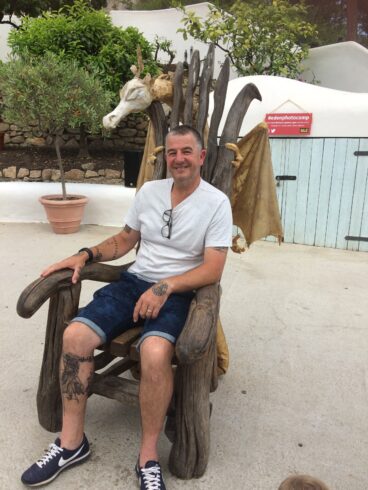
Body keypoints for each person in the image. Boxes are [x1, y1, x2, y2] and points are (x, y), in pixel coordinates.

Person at [21, 125, 233, 490]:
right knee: (75, 336)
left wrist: (166, 286)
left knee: (153, 352)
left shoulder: (216, 203)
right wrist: (83, 255)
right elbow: (125, 239)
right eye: (171, 152)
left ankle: (147, 457)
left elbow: (213, 268)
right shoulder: (149, 192)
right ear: (164, 157)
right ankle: (72, 443)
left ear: (201, 157)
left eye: (186, 151)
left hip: (179, 292)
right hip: (134, 282)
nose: (178, 158)